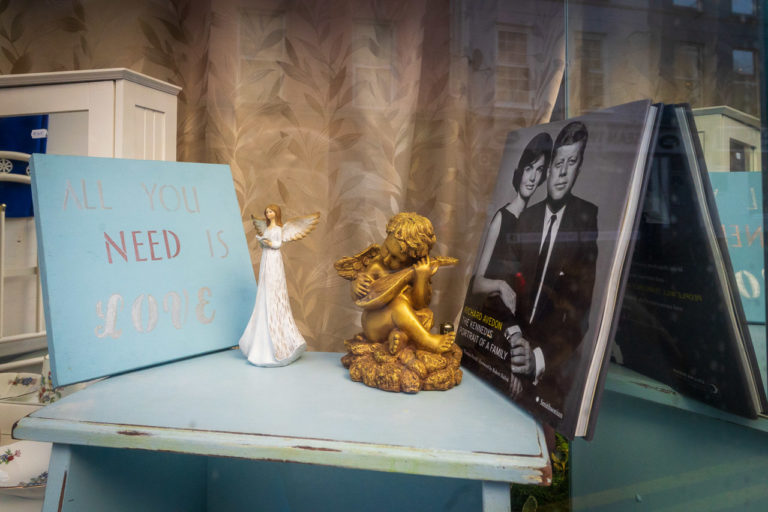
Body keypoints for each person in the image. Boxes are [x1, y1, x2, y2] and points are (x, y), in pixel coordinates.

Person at [509, 121, 599, 419]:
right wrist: (512, 341)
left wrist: (536, 360)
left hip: (551, 371)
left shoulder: (586, 219)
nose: (562, 171)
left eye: (571, 163)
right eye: (558, 162)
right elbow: (502, 288)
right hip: (507, 353)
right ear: (549, 168)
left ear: (579, 168)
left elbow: (579, 312)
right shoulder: (526, 220)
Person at [471, 132, 553, 319]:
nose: (532, 177)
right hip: (492, 319)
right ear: (521, 169)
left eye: (539, 170)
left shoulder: (537, 223)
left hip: (517, 322)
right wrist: (501, 285)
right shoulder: (502, 217)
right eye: (529, 168)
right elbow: (477, 284)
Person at [238, 204, 319, 366]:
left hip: (274, 260)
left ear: (276, 213)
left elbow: (278, 244)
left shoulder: (278, 229)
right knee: (264, 290)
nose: (268, 214)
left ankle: (281, 344)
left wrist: (268, 242)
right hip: (266, 259)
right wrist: (262, 242)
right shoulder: (267, 228)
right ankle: (259, 344)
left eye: (271, 211)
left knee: (273, 291)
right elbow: (265, 245)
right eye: (267, 211)